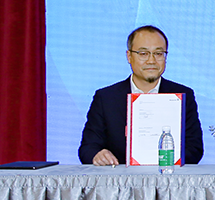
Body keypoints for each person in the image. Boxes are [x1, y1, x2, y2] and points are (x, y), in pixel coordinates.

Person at [79, 25, 204, 166]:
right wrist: (98, 155)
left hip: (168, 176)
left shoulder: (183, 95)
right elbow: (88, 148)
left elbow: (194, 149)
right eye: (143, 53)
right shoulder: (106, 98)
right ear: (129, 56)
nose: (151, 61)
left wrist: (163, 160)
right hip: (120, 178)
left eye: (158, 53)